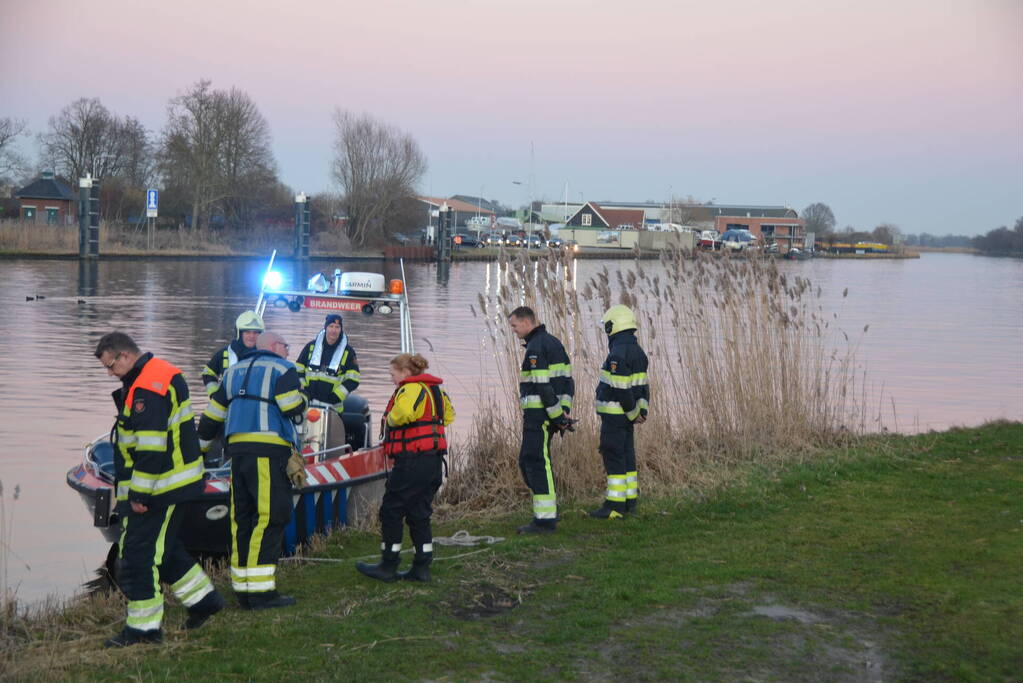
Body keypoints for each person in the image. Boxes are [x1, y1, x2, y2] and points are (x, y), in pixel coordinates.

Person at [93, 332, 223, 647]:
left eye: (111, 366)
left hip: (160, 489)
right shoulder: (158, 374)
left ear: (124, 355)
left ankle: (143, 630)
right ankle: (205, 601)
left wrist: (138, 495)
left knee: (138, 555)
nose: (110, 373)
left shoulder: (147, 388)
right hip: (172, 483)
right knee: (163, 553)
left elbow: (151, 447)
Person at [198, 332, 306, 609]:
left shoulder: (232, 372)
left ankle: (242, 588)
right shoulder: (284, 369)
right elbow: (291, 406)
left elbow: (212, 416)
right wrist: (303, 400)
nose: (288, 350)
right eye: (286, 345)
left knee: (242, 518)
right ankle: (260, 593)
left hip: (237, 454)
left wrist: (198, 452)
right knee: (269, 517)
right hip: (268, 453)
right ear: (273, 347)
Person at [356, 353, 454, 583]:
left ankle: (388, 566)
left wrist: (389, 420)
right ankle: (421, 568)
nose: (392, 379)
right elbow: (448, 416)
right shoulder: (436, 390)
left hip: (413, 461)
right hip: (433, 461)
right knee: (419, 512)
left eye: (393, 374)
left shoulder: (410, 389)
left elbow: (402, 414)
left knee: (391, 509)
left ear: (405, 373)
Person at [508, 306, 574, 534]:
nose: (514, 331)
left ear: (527, 323)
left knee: (536, 462)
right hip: (548, 416)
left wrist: (557, 417)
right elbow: (567, 383)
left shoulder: (536, 348)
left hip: (540, 417)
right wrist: (563, 411)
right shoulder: (554, 343)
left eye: (514, 326)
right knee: (529, 460)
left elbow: (543, 386)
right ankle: (547, 510)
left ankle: (545, 520)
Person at [590, 305, 649, 519]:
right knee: (627, 456)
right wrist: (641, 410)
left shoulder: (617, 354)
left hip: (615, 417)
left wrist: (633, 412)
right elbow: (643, 386)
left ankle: (614, 506)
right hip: (627, 418)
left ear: (612, 326)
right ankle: (629, 502)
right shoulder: (638, 352)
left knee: (613, 455)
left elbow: (621, 389)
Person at [295, 314, 360, 414]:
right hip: (308, 405)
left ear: (341, 329)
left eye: (337, 327)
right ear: (325, 328)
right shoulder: (310, 347)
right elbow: (298, 370)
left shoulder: (348, 352)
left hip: (333, 408)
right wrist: (304, 391)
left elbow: (353, 380)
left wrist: (336, 397)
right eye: (331, 326)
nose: (334, 330)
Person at [201, 310, 265, 396]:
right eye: (247, 332)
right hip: (229, 406)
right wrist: (214, 394)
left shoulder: (267, 356)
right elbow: (208, 373)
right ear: (239, 333)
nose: (252, 336)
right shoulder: (225, 353)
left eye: (255, 332)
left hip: (258, 405)